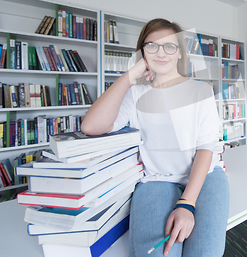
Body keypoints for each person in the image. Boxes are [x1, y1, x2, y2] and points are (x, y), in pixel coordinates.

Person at [81, 18, 229, 257]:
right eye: (152, 46)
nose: (161, 52)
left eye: (169, 46)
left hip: (205, 176)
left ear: (180, 53)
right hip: (157, 179)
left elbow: (205, 147)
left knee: (204, 254)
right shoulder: (135, 94)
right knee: (159, 254)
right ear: (142, 52)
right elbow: (91, 126)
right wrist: (132, 74)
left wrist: (186, 204)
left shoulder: (201, 90)